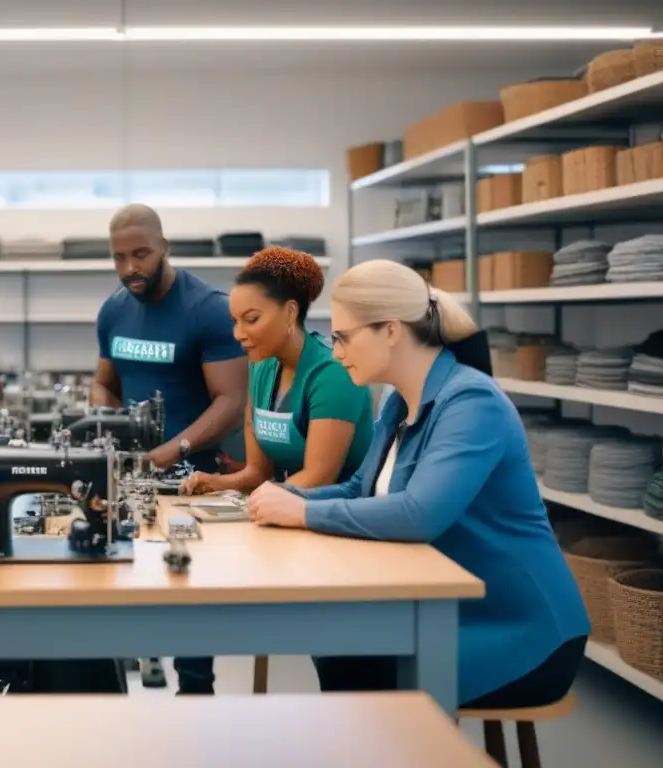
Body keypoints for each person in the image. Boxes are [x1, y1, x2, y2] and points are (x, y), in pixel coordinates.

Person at [244, 258, 591, 709]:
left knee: (353, 664)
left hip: (520, 631)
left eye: (344, 337)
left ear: (391, 329)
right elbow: (358, 492)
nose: (335, 352)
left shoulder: (471, 402)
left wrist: (303, 511)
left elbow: (419, 513)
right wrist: (286, 498)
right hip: (449, 609)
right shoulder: (397, 401)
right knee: (336, 646)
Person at [93, 203, 248, 695]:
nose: (130, 268)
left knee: (186, 589)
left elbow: (231, 402)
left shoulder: (208, 309)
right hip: (130, 474)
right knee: (116, 581)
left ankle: (196, 693)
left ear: (165, 247)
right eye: (119, 257)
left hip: (193, 478)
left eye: (140, 254)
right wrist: (107, 421)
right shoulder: (114, 309)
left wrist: (171, 449)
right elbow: (104, 384)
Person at [182, 246, 373, 497]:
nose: (238, 334)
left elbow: (318, 479)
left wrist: (260, 502)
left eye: (251, 320)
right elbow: (257, 473)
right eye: (235, 321)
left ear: (290, 313)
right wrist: (215, 483)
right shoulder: (261, 366)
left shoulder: (333, 373)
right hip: (288, 509)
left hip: (339, 517)